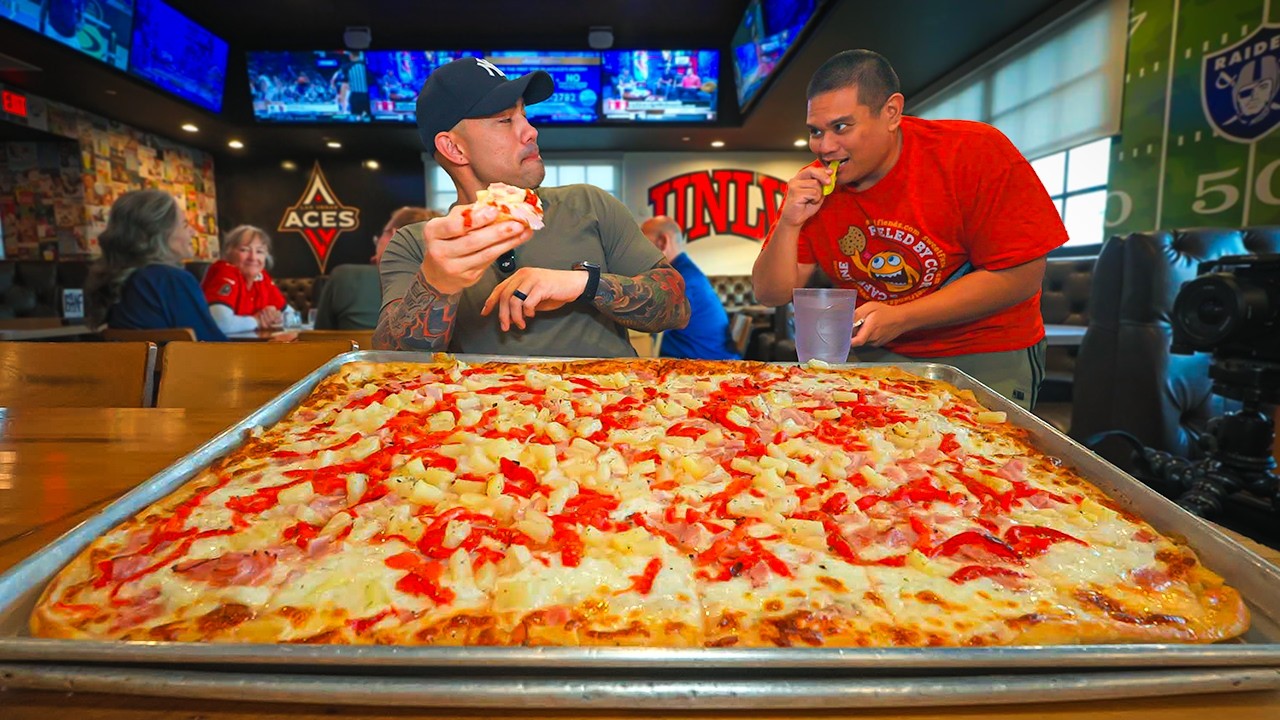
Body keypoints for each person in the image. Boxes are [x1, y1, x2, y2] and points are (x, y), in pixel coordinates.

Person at [752, 49, 1067, 410]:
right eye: (815, 131)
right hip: (879, 350)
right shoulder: (814, 187)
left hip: (984, 347)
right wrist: (790, 222)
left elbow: (1022, 276)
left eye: (841, 127)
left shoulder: (973, 151)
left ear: (891, 112)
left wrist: (903, 317)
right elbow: (770, 294)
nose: (824, 147)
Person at [375, 57, 690, 355]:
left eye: (524, 116)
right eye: (505, 120)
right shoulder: (414, 244)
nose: (530, 131)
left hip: (614, 392)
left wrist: (585, 283)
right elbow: (391, 363)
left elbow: (677, 307)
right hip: (483, 395)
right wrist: (437, 282)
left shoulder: (590, 205)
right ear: (454, 148)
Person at [85, 189, 227, 341]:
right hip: (171, 358)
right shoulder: (171, 280)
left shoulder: (119, 280)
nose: (193, 232)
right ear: (160, 233)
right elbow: (214, 348)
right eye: (185, 224)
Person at [314, 206, 439, 330]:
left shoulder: (344, 276)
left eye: (382, 234)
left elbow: (319, 336)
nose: (377, 241)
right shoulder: (445, 285)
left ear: (396, 236)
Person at [640, 216, 740, 360]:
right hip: (701, 357)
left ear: (662, 242)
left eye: (642, 242)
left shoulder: (680, 280)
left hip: (710, 365)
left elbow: (648, 328)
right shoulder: (683, 272)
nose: (638, 250)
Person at [201, 224, 288, 334]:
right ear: (229, 252)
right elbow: (220, 324)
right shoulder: (225, 272)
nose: (253, 257)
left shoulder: (261, 277)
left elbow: (291, 316)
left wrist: (275, 318)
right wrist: (256, 321)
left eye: (259, 251)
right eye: (244, 250)